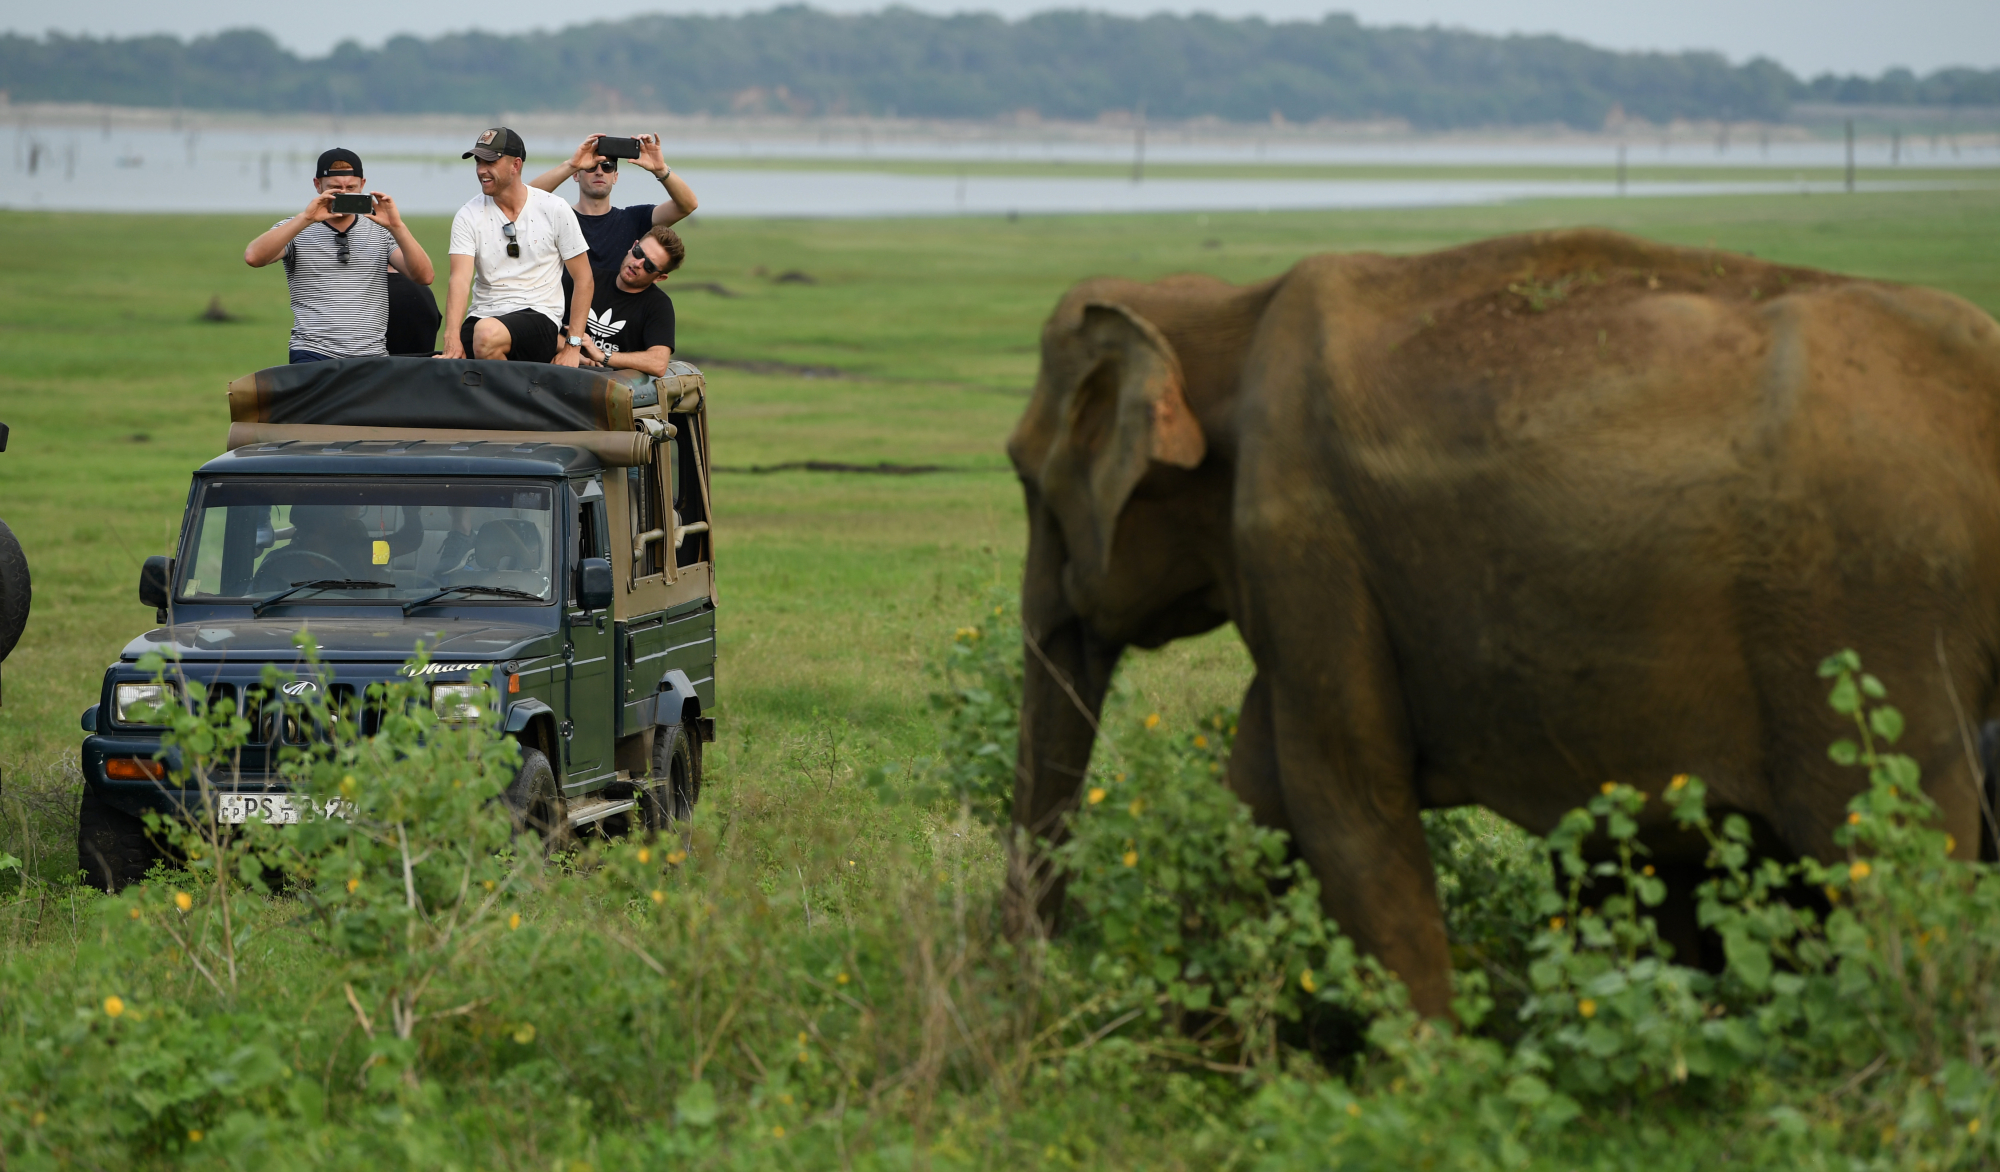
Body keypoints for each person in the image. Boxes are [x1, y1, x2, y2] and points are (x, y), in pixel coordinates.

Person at [243, 148, 435, 363]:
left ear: (363, 185)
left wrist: (397, 226)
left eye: (351, 187)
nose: (344, 194)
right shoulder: (294, 228)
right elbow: (254, 257)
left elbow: (424, 276)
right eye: (335, 188)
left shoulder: (381, 231)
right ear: (318, 185)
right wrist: (306, 218)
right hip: (312, 350)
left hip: (371, 353)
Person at [440, 128, 593, 366]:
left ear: (516, 165)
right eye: (479, 162)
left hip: (538, 315)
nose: (481, 170)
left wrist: (573, 347)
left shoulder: (554, 208)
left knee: (486, 335)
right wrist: (451, 336)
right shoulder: (467, 214)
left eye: (490, 161)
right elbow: (459, 279)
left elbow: (584, 279)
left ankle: (557, 345)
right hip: (482, 315)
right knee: (478, 336)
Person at [529, 133, 698, 290]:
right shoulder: (559, 216)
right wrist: (571, 165)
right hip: (564, 316)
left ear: (615, 177)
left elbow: (687, 205)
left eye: (608, 167)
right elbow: (525, 199)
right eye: (591, 166)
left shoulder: (633, 219)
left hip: (614, 318)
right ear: (576, 175)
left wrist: (660, 169)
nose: (599, 171)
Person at [579, 226, 684, 378]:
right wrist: (571, 349)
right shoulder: (588, 279)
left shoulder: (659, 305)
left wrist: (602, 355)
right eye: (638, 253)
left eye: (649, 266)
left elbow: (658, 363)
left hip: (616, 391)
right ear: (633, 246)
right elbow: (543, 326)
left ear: (659, 278)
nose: (637, 263)